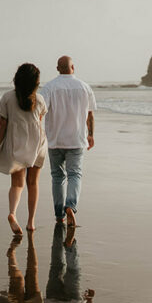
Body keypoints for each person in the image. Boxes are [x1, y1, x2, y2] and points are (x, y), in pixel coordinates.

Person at [0, 63, 47, 235]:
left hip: (16, 143)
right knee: (33, 183)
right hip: (37, 145)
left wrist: (0, 145)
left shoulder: (7, 98)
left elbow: (3, 124)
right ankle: (31, 222)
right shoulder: (39, 99)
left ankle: (13, 213)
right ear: (35, 83)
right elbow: (39, 121)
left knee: (17, 183)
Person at [40, 56, 96, 226]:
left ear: (58, 68)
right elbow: (90, 114)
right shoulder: (84, 87)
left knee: (57, 177)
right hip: (76, 140)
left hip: (55, 140)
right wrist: (91, 135)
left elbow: (40, 111)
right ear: (73, 67)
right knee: (75, 175)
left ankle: (59, 214)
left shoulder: (49, 87)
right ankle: (70, 205)